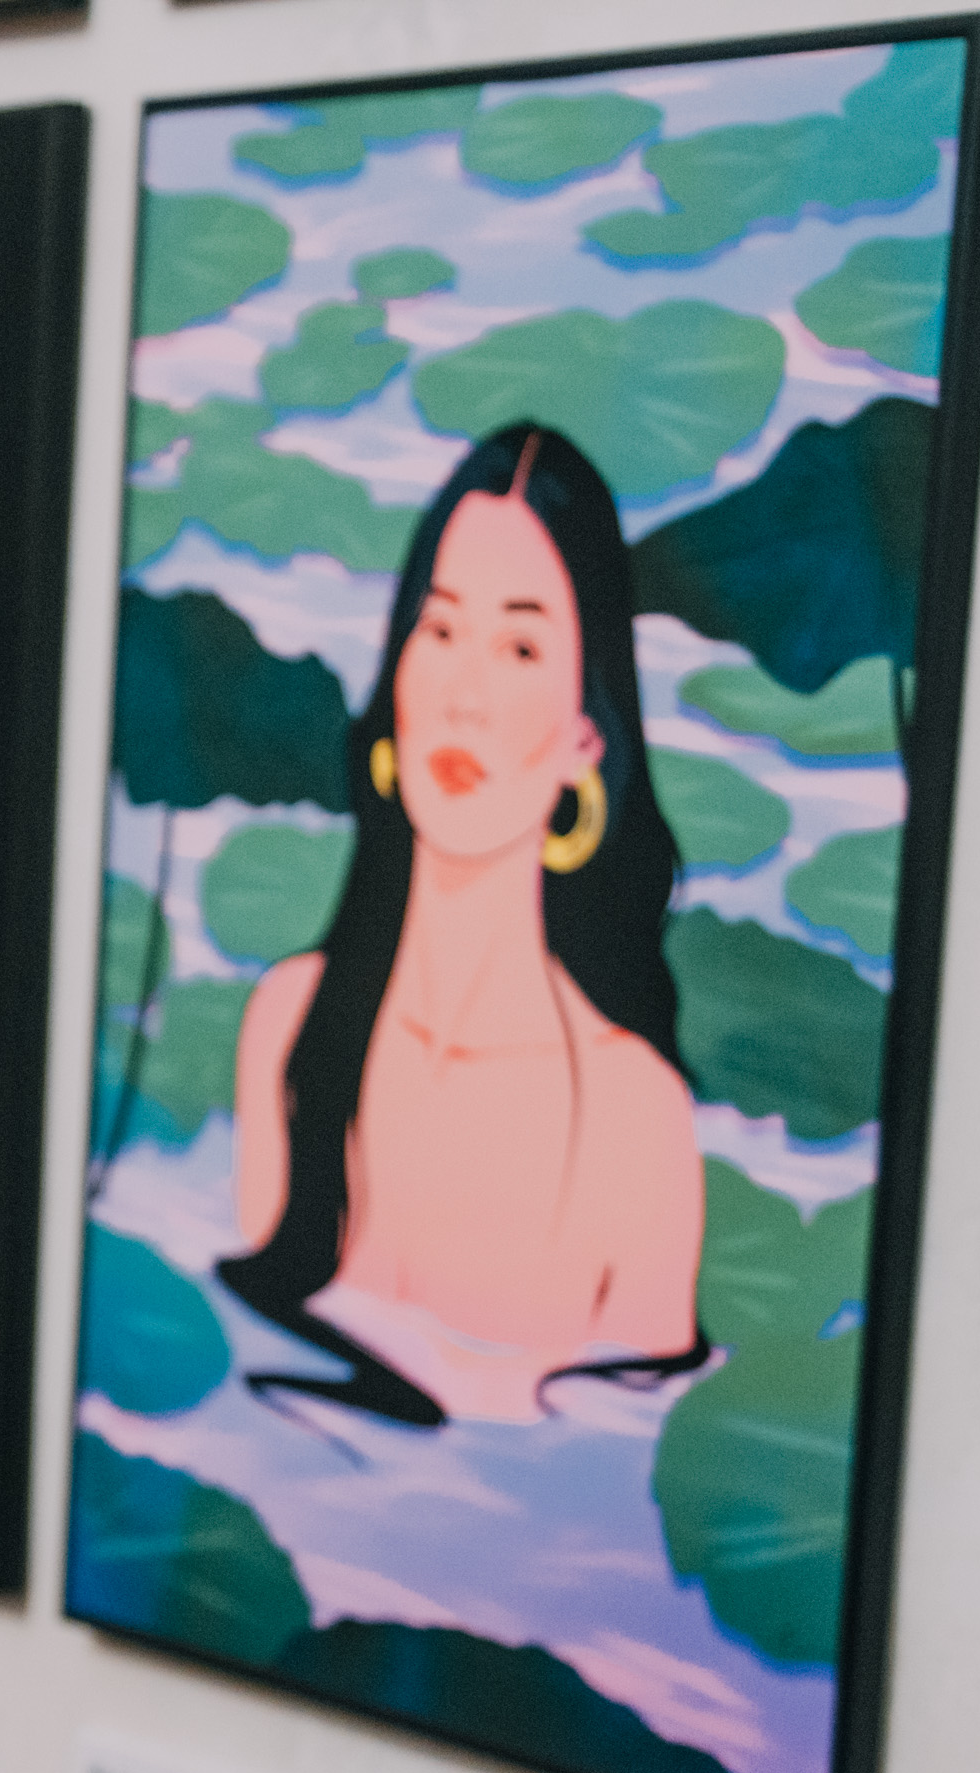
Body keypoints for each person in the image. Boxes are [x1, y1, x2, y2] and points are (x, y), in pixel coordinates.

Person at [219, 423, 701, 1428]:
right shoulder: (287, 1026)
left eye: (520, 647)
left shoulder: (637, 1120)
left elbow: (614, 1458)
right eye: (438, 631)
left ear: (585, 735)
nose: (464, 696)